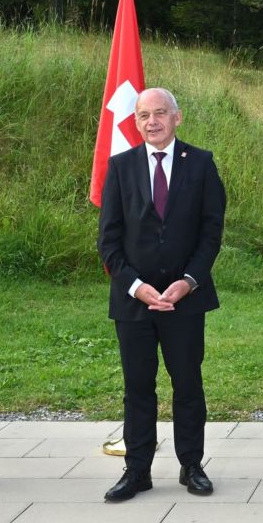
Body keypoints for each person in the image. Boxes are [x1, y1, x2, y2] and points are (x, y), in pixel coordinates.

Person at [97, 88, 226, 502]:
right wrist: (136, 286)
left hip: (184, 299)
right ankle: (137, 471)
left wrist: (188, 281)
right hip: (134, 301)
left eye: (159, 113)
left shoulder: (201, 163)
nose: (151, 121)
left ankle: (191, 465)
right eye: (143, 115)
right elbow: (108, 241)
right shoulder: (119, 167)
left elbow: (211, 233)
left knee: (187, 382)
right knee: (138, 386)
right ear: (135, 122)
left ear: (177, 117)